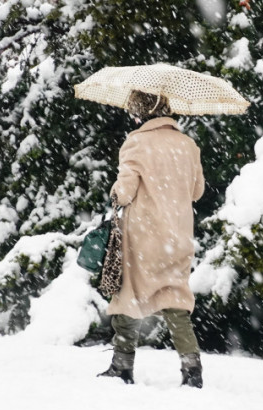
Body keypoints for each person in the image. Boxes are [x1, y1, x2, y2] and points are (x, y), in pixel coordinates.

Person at [97, 90, 205, 387]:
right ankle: (191, 368)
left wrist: (115, 191)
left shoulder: (137, 142)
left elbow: (125, 191)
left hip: (143, 237)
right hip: (178, 235)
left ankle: (122, 365)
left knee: (127, 297)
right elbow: (197, 192)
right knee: (176, 301)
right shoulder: (188, 145)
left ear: (141, 114)